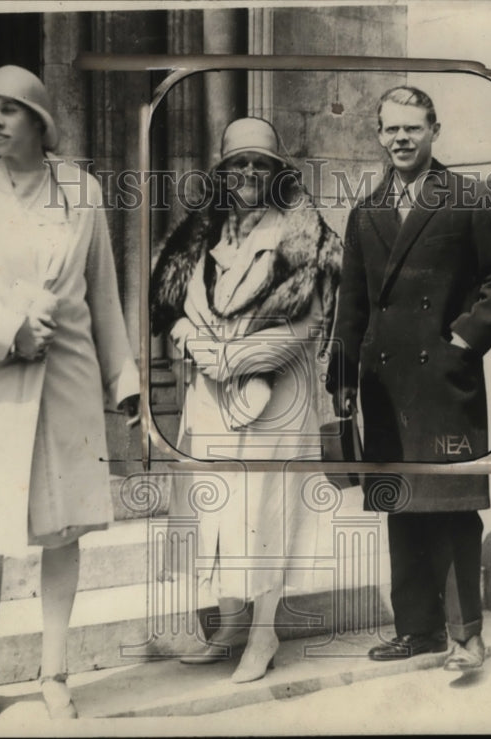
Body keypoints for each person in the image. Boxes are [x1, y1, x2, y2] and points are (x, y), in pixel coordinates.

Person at [0, 65, 139, 720]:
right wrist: (7, 332)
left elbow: (103, 293)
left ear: (39, 123)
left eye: (8, 112)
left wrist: (123, 378)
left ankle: (56, 672)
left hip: (68, 379)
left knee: (62, 528)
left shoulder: (80, 190)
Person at [326, 86, 491, 670]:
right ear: (379, 136)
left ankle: (467, 635)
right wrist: (343, 379)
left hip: (443, 384)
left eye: (412, 128)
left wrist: (462, 341)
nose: (401, 139)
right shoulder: (366, 211)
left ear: (435, 129)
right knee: (399, 503)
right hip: (384, 387)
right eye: (390, 130)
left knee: (454, 508)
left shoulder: (469, 199)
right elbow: (351, 304)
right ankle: (417, 629)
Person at [151, 117, 342, 683]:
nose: (249, 173)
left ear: (278, 174)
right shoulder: (201, 237)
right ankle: (231, 624)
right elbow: (177, 312)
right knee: (214, 510)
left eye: (261, 164)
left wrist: (235, 359)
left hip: (273, 399)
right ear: (223, 174)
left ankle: (264, 634)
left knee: (265, 512)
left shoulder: (302, 238)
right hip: (210, 400)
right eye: (239, 164)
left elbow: (307, 326)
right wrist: (192, 342)